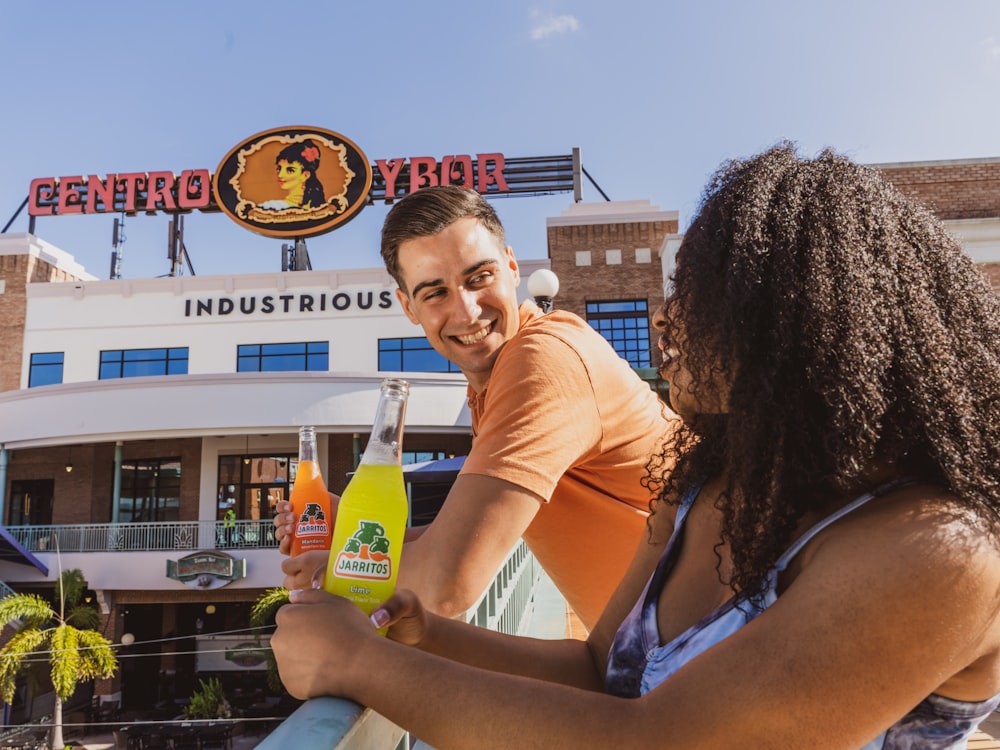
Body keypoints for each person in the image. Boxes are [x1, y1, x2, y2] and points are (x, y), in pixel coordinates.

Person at [271, 144, 1000, 748]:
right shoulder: (707, 482)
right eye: (433, 291)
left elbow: (655, 738)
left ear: (791, 329)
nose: (666, 319)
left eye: (699, 301)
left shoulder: (941, 553)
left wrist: (364, 663)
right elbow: (600, 669)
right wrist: (426, 636)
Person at [274, 185, 676, 629]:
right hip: (674, 652)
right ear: (409, 306)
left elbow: (447, 582)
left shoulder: (543, 360)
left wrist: (324, 572)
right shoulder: (494, 380)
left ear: (511, 265)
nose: (466, 312)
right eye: (435, 293)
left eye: (479, 277)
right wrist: (343, 523)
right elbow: (453, 536)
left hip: (711, 656)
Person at [259, 139, 326, 210]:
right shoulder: (270, 206)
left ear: (305, 175)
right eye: (279, 169)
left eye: (290, 170)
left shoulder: (272, 207)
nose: (280, 175)